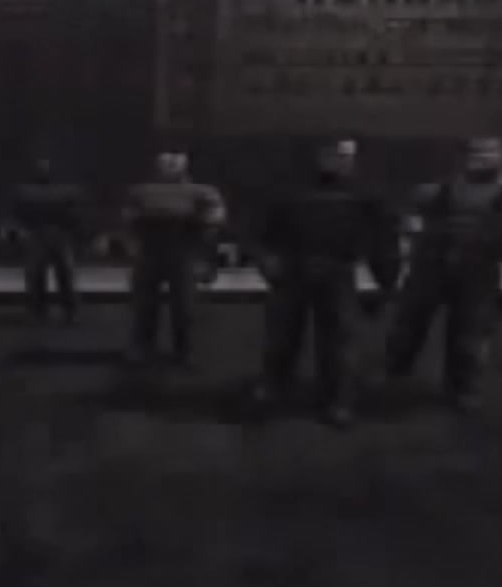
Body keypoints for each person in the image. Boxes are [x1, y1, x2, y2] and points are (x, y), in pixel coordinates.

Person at [385, 136, 502, 413]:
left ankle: (463, 389)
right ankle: (396, 374)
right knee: (407, 326)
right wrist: (411, 242)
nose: (481, 156)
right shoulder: (434, 192)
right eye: (474, 151)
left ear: (501, 154)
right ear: (463, 156)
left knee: (470, 334)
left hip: (481, 271)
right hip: (431, 266)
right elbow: (410, 224)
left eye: (489, 150)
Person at [252, 139, 402, 425]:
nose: (341, 161)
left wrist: (385, 281)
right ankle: (274, 387)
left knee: (339, 341)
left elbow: (383, 241)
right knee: (281, 337)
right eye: (335, 154)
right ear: (320, 157)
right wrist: (268, 263)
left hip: (339, 272)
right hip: (293, 271)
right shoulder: (290, 193)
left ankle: (339, 399)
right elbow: (262, 234)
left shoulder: (366, 197)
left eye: (347, 156)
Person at [122, 151, 227, 366]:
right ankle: (143, 346)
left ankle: (185, 349)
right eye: (166, 164)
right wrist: (134, 247)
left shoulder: (203, 192)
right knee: (144, 305)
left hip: (183, 251)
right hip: (151, 251)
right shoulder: (141, 192)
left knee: (185, 306)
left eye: (174, 164)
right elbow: (128, 220)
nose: (169, 167)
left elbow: (214, 220)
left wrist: (205, 254)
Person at [9, 157, 85, 323]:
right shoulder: (26, 191)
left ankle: (69, 311)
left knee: (64, 274)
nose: (42, 171)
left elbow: (75, 215)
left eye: (44, 168)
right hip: (38, 234)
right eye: (40, 168)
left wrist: (71, 228)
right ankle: (39, 311)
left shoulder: (63, 191)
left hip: (58, 234)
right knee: (37, 275)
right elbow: (17, 214)